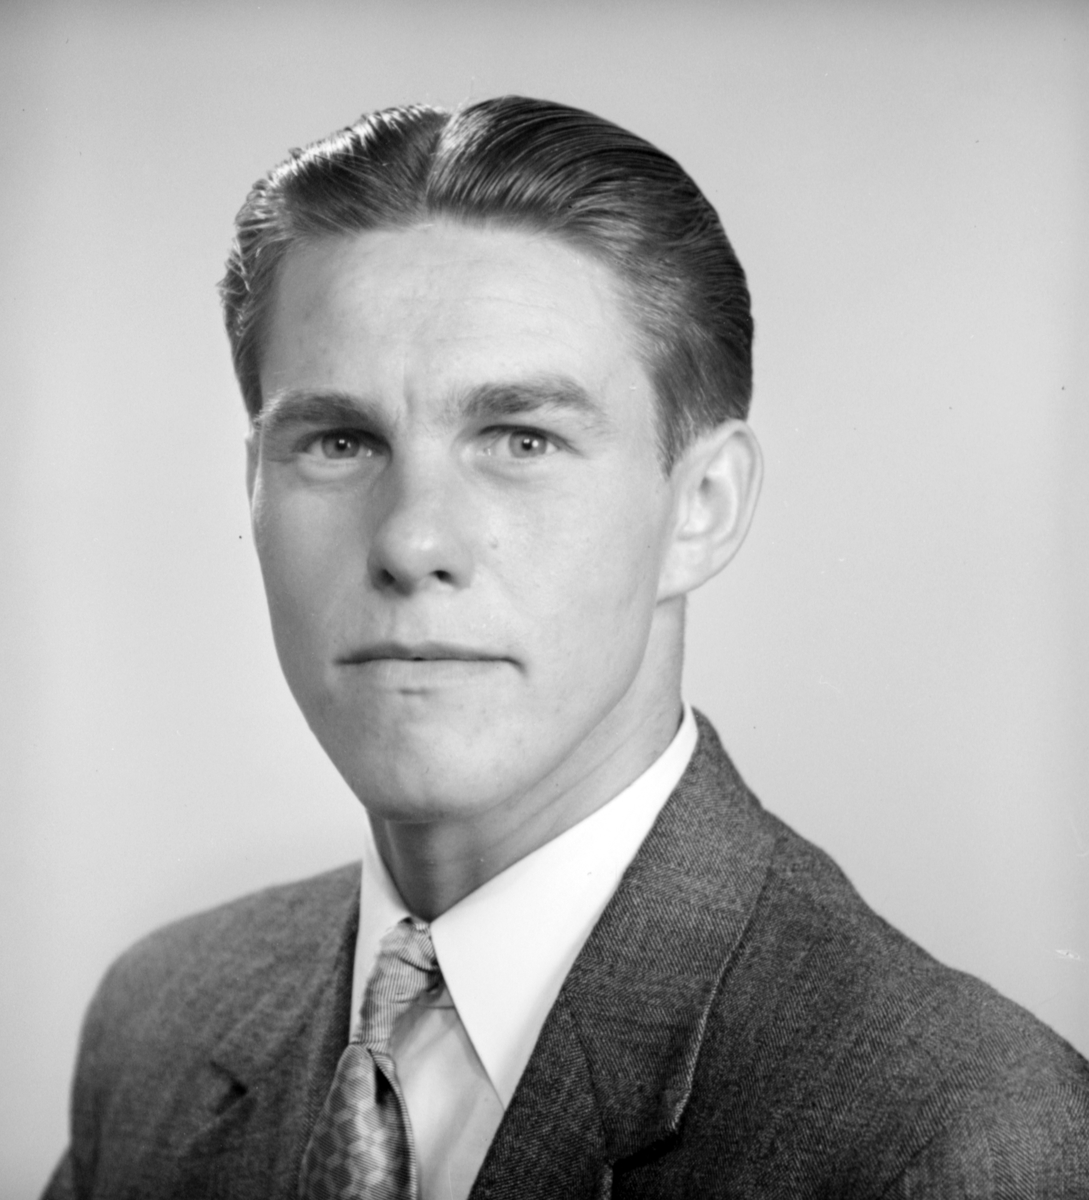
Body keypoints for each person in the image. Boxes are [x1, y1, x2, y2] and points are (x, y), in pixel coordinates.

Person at [44, 96, 1089, 1200]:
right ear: (253, 484)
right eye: (340, 441)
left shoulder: (958, 1136)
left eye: (522, 439)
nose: (411, 542)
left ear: (701, 508)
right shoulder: (157, 1027)